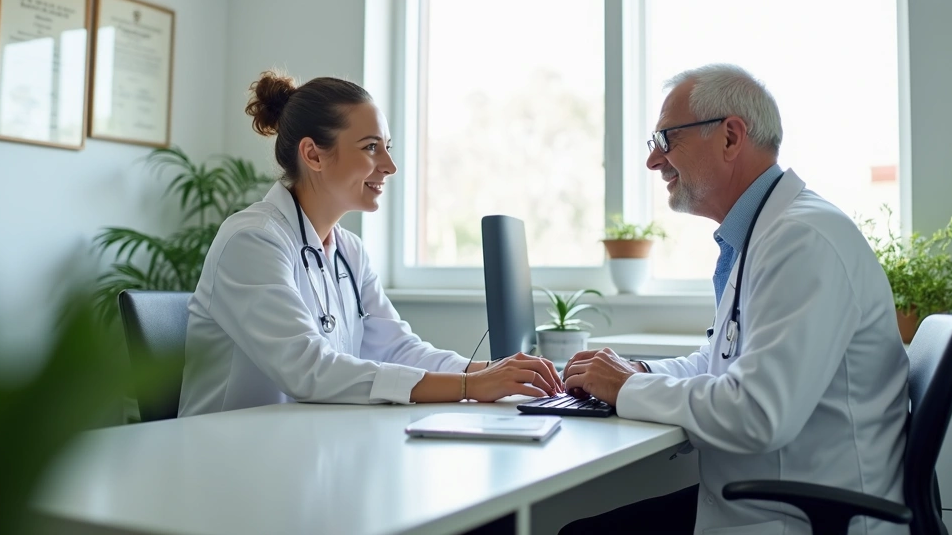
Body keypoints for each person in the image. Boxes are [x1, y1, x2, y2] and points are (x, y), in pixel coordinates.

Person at [560, 64, 909, 535]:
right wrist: (639, 373)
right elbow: (723, 360)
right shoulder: (767, 233)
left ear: (729, 137)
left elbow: (757, 412)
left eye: (666, 140)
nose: (653, 161)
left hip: (797, 518)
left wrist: (626, 388)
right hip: (767, 500)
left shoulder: (802, 240)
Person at [178, 71, 562, 416]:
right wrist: (470, 387)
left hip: (305, 449)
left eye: (387, 147)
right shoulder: (253, 240)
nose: (389, 166)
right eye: (370, 147)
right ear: (313, 154)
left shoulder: (349, 251)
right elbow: (309, 369)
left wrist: (492, 373)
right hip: (228, 459)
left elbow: (398, 348)